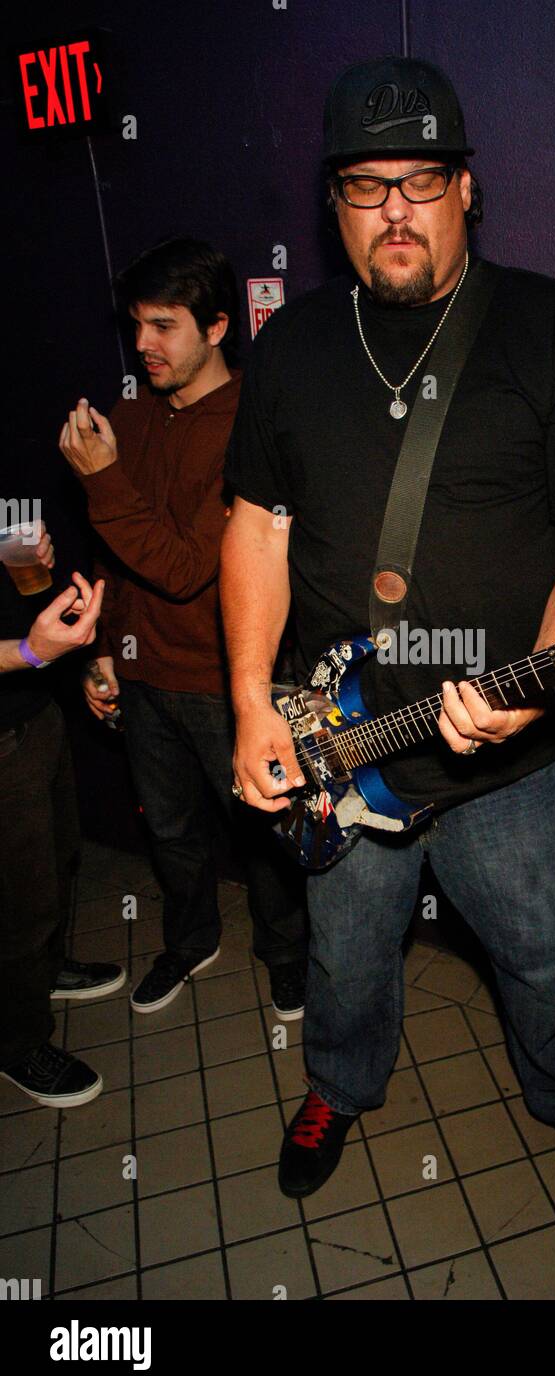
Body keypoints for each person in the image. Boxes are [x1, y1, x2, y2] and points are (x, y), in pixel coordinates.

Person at [221, 57, 555, 1210]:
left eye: (421, 179)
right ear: (333, 204)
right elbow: (257, 525)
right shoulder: (296, 347)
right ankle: (338, 1084)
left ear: (468, 190)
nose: (395, 209)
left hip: (500, 756)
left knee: (543, 952)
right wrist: (255, 699)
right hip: (340, 747)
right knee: (346, 959)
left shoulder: (553, 331)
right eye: (367, 185)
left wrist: (549, 679)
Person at [58, 238, 308, 1020]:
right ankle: (191, 937)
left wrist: (101, 480)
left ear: (218, 326)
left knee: (265, 834)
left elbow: (182, 567)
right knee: (169, 830)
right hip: (141, 672)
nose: (143, 345)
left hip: (222, 678)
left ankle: (287, 956)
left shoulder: (249, 425)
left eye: (164, 326)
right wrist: (100, 649)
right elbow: (114, 552)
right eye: (137, 326)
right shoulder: (128, 415)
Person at [0, 538, 125, 1108]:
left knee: (56, 861)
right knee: (18, 901)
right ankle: (17, 1042)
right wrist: (27, 652)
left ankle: (45, 973)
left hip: (31, 707)